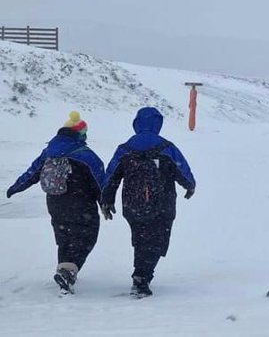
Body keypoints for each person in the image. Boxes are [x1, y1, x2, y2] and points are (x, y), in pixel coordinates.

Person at [100, 107, 195, 298]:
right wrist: (190, 186)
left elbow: (111, 176)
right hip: (163, 204)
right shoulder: (167, 147)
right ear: (158, 124)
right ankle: (142, 276)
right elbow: (182, 171)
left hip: (132, 204)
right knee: (156, 241)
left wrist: (107, 199)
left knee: (141, 239)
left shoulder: (125, 149)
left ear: (136, 124)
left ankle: (141, 274)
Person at [6, 111, 105, 294]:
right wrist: (105, 202)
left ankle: (64, 271)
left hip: (55, 202)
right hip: (81, 203)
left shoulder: (49, 152)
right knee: (87, 236)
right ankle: (68, 272)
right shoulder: (85, 154)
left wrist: (15, 187)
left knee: (65, 237)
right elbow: (99, 180)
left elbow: (32, 173)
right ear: (80, 134)